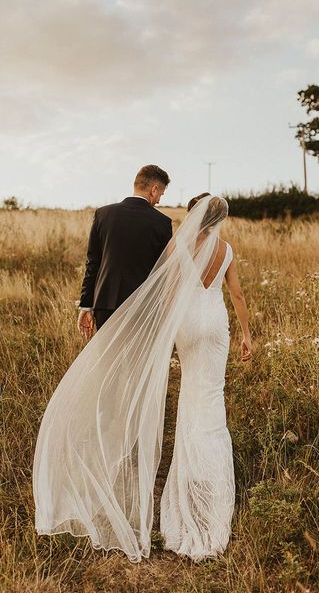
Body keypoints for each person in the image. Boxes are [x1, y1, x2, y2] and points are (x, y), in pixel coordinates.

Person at [32, 194, 251, 564]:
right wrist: (247, 334)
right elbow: (238, 295)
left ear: (196, 215)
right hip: (216, 325)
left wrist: (161, 335)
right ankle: (210, 482)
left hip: (187, 325)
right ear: (221, 219)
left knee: (188, 397)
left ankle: (186, 479)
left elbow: (164, 290)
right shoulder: (227, 250)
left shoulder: (179, 244)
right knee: (211, 394)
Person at [77, 164, 172, 335]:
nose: (159, 200)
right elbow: (163, 271)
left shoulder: (103, 214)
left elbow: (93, 263)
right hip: (143, 307)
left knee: (109, 361)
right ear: (154, 189)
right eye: (161, 194)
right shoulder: (162, 222)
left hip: (105, 305)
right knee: (138, 361)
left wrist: (86, 305)